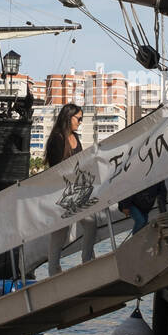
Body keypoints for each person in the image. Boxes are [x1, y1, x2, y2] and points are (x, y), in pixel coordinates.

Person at [44, 103, 96, 275]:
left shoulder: (75, 137)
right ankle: (54, 271)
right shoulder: (57, 139)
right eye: (78, 119)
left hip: (77, 190)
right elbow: (56, 170)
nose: (80, 122)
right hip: (61, 193)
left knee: (90, 223)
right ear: (68, 117)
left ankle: (87, 260)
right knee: (60, 232)